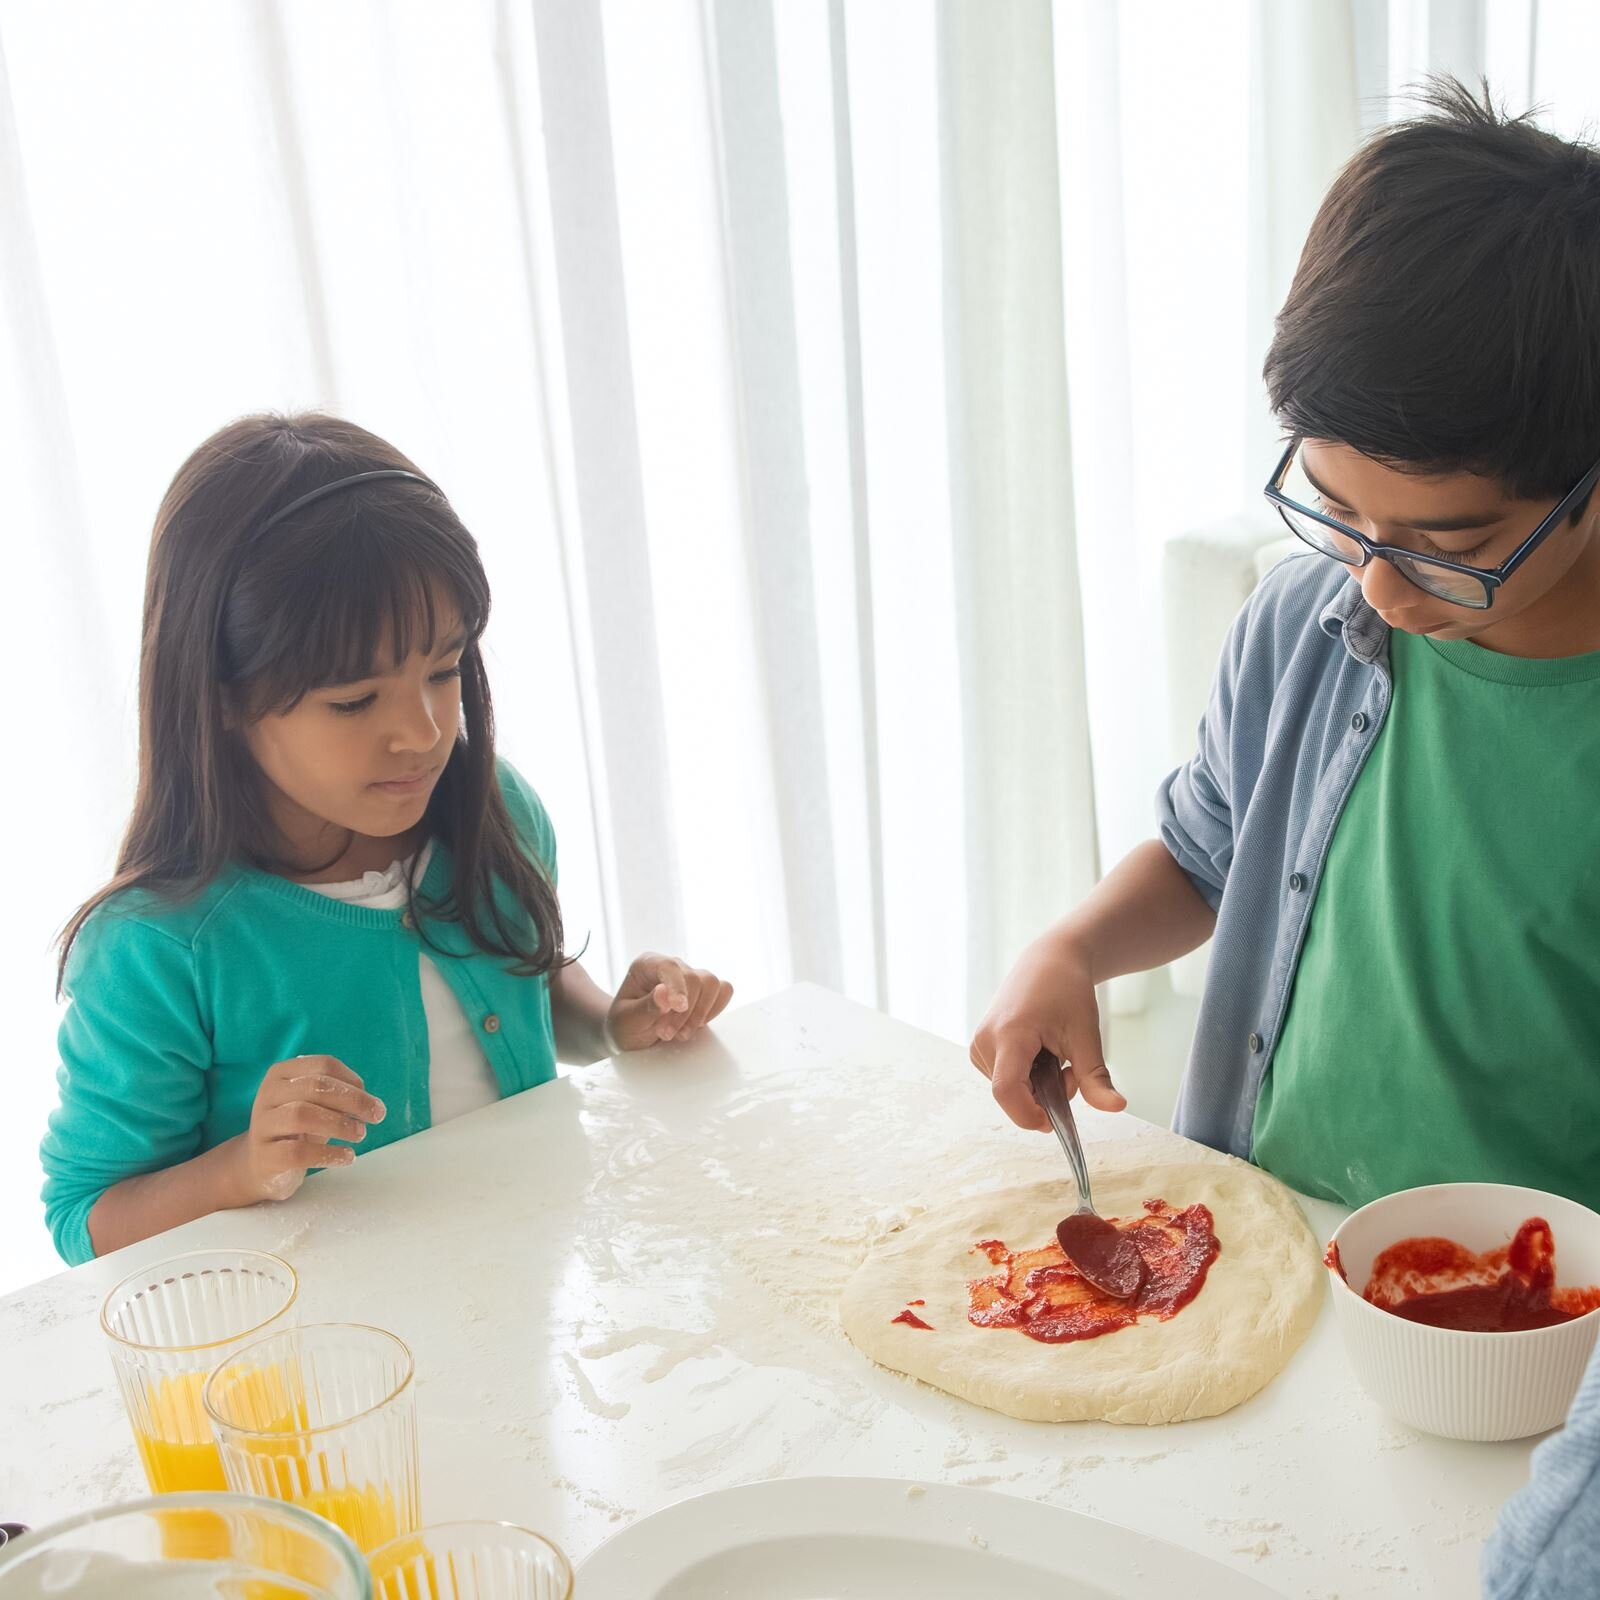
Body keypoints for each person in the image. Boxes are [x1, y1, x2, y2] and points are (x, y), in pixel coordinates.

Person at [971, 79, 1600, 1213]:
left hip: (1530, 1338)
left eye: (1449, 544)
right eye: (1335, 508)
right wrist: (1070, 945)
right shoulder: (1298, 622)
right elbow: (1204, 853)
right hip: (1264, 1247)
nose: (1375, 579)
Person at [41, 412, 732, 1264]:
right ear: (221, 696)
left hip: (527, 1300)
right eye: (355, 701)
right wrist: (239, 1169)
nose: (424, 731)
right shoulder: (157, 946)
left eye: (444, 670)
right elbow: (85, 1219)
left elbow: (528, 988)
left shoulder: (496, 808)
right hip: (326, 1364)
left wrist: (613, 1021)